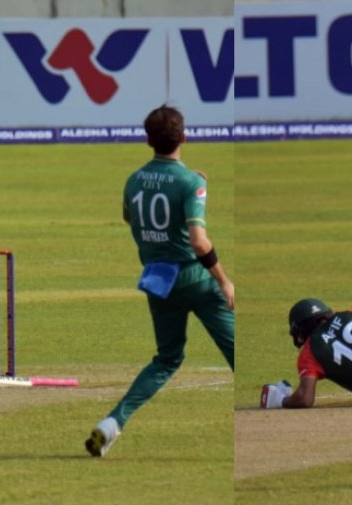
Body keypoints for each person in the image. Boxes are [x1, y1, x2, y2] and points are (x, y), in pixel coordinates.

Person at [85, 105, 235, 457]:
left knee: (167, 359)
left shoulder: (134, 180)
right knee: (235, 350)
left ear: (148, 140)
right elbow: (199, 241)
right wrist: (224, 281)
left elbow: (132, 219)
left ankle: (113, 422)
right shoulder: (191, 182)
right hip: (195, 279)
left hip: (157, 280)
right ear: (184, 137)